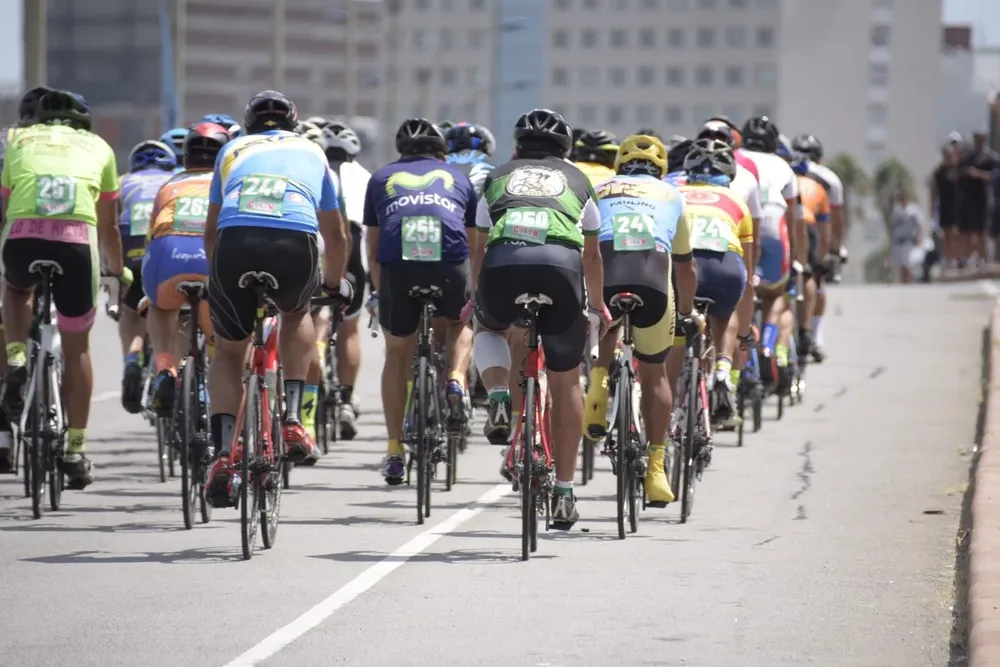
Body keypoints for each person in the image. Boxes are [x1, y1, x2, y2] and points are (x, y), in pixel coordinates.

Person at [203, 90, 352, 507]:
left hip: (236, 242)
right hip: (293, 241)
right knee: (296, 312)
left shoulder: (231, 149)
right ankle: (292, 419)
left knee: (230, 354)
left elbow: (211, 232)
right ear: (293, 124)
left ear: (249, 125)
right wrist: (335, 284)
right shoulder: (313, 151)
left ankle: (221, 455)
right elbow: (337, 234)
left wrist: (218, 275)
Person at [471, 108, 611, 528]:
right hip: (561, 269)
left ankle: (497, 395)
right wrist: (597, 304)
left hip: (503, 264)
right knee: (567, 378)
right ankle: (565, 491)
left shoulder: (496, 177)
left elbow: (476, 249)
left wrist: (474, 298)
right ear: (565, 151)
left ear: (516, 147)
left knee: (488, 326)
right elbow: (592, 253)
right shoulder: (580, 180)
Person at [1, 90, 129, 488]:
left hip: (22, 237)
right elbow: (108, 226)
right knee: (78, 350)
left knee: (16, 289)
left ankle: (17, 357)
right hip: (75, 244)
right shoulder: (101, 147)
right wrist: (117, 271)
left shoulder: (17, 140)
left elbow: (5, 206)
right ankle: (75, 449)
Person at [584, 134, 697, 506]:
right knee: (654, 372)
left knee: (606, 321)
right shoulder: (671, 194)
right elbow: (685, 267)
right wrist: (684, 314)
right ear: (661, 168)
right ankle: (656, 468)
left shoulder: (598, 188)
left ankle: (599, 384)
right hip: (652, 277)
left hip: (608, 267)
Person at [364, 118, 477, 485]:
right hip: (449, 264)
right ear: (440, 152)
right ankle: (457, 379)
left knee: (397, 353)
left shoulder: (381, 178)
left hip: (400, 267)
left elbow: (372, 244)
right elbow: (474, 241)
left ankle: (395, 449)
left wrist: (380, 293)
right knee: (460, 324)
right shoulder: (458, 177)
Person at [142, 123, 228, 418]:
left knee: (160, 307)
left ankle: (165, 368)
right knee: (222, 345)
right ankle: (213, 385)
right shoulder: (228, 184)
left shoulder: (169, 185)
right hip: (210, 260)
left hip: (168, 257)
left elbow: (151, 237)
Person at [670, 139, 755, 426]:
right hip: (725, 269)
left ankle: (668, 400)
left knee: (676, 325)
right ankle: (722, 368)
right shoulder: (737, 202)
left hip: (682, 266)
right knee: (725, 311)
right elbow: (749, 271)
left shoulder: (673, 192)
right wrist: (744, 334)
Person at [738, 116, 801, 388]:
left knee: (742, 288)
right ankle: (767, 342)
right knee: (776, 292)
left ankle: (741, 348)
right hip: (774, 223)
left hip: (741, 219)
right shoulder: (783, 166)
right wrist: (798, 259)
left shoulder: (734, 156)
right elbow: (795, 219)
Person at [317, 120, 370, 439]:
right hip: (354, 243)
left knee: (312, 317)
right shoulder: (365, 176)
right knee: (350, 326)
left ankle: (315, 370)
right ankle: (347, 400)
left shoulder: (316, 167)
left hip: (320, 241)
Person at [117, 139, 178, 413]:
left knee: (129, 309)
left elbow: (108, 226)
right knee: (172, 308)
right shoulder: (178, 179)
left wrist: (114, 273)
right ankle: (176, 370)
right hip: (169, 245)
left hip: (130, 243)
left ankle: (132, 358)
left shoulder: (123, 181)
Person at [790, 133, 844, 361]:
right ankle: (812, 334)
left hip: (784, 221)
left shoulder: (785, 169)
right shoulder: (828, 179)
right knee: (813, 275)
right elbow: (835, 220)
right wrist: (834, 249)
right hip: (812, 224)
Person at [789, 149, 831, 362]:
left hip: (787, 223)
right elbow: (825, 234)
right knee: (808, 275)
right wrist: (821, 260)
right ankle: (806, 331)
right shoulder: (819, 188)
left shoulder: (785, 181)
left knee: (785, 273)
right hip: (809, 227)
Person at [957, 131, 997, 269]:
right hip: (969, 199)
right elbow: (959, 172)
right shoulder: (968, 157)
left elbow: (993, 177)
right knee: (968, 230)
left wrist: (978, 174)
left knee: (982, 230)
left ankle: (983, 258)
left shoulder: (990, 157)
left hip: (983, 198)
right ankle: (967, 258)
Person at [888, 191, 923, 283]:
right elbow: (893, 227)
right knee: (900, 265)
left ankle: (910, 282)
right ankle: (902, 283)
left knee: (908, 264)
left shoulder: (913, 210)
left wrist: (919, 238)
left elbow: (919, 225)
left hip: (908, 240)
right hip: (898, 241)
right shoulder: (897, 211)